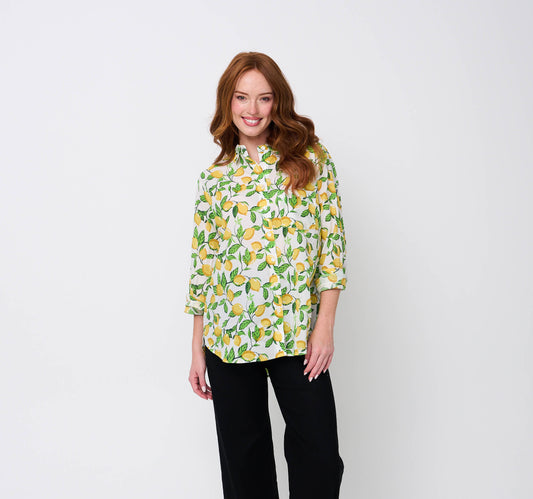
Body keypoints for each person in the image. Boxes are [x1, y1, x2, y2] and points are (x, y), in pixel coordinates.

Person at [185, 51, 347, 499]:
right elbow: (204, 265)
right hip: (229, 336)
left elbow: (332, 248)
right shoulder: (215, 179)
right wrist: (197, 348)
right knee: (245, 466)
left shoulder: (311, 159)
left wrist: (324, 326)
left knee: (320, 456)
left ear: (278, 101)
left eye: (263, 97)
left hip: (296, 334)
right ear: (227, 102)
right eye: (241, 97)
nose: (252, 109)